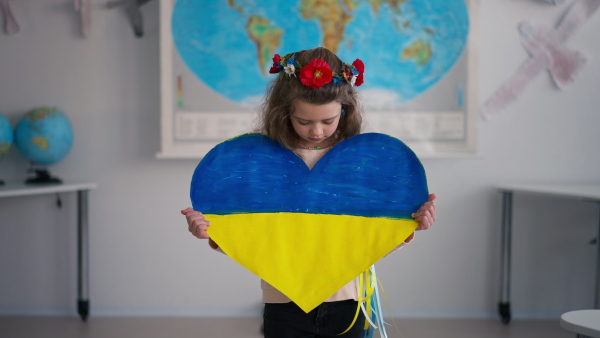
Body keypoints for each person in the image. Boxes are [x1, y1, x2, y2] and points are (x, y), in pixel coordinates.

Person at [181, 47, 437, 338]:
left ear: (345, 110)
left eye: (328, 121)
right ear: (284, 111)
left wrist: (409, 224)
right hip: (284, 301)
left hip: (349, 301)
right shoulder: (259, 163)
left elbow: (370, 235)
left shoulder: (362, 163)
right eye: (304, 121)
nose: (317, 131)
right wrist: (212, 232)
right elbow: (256, 234)